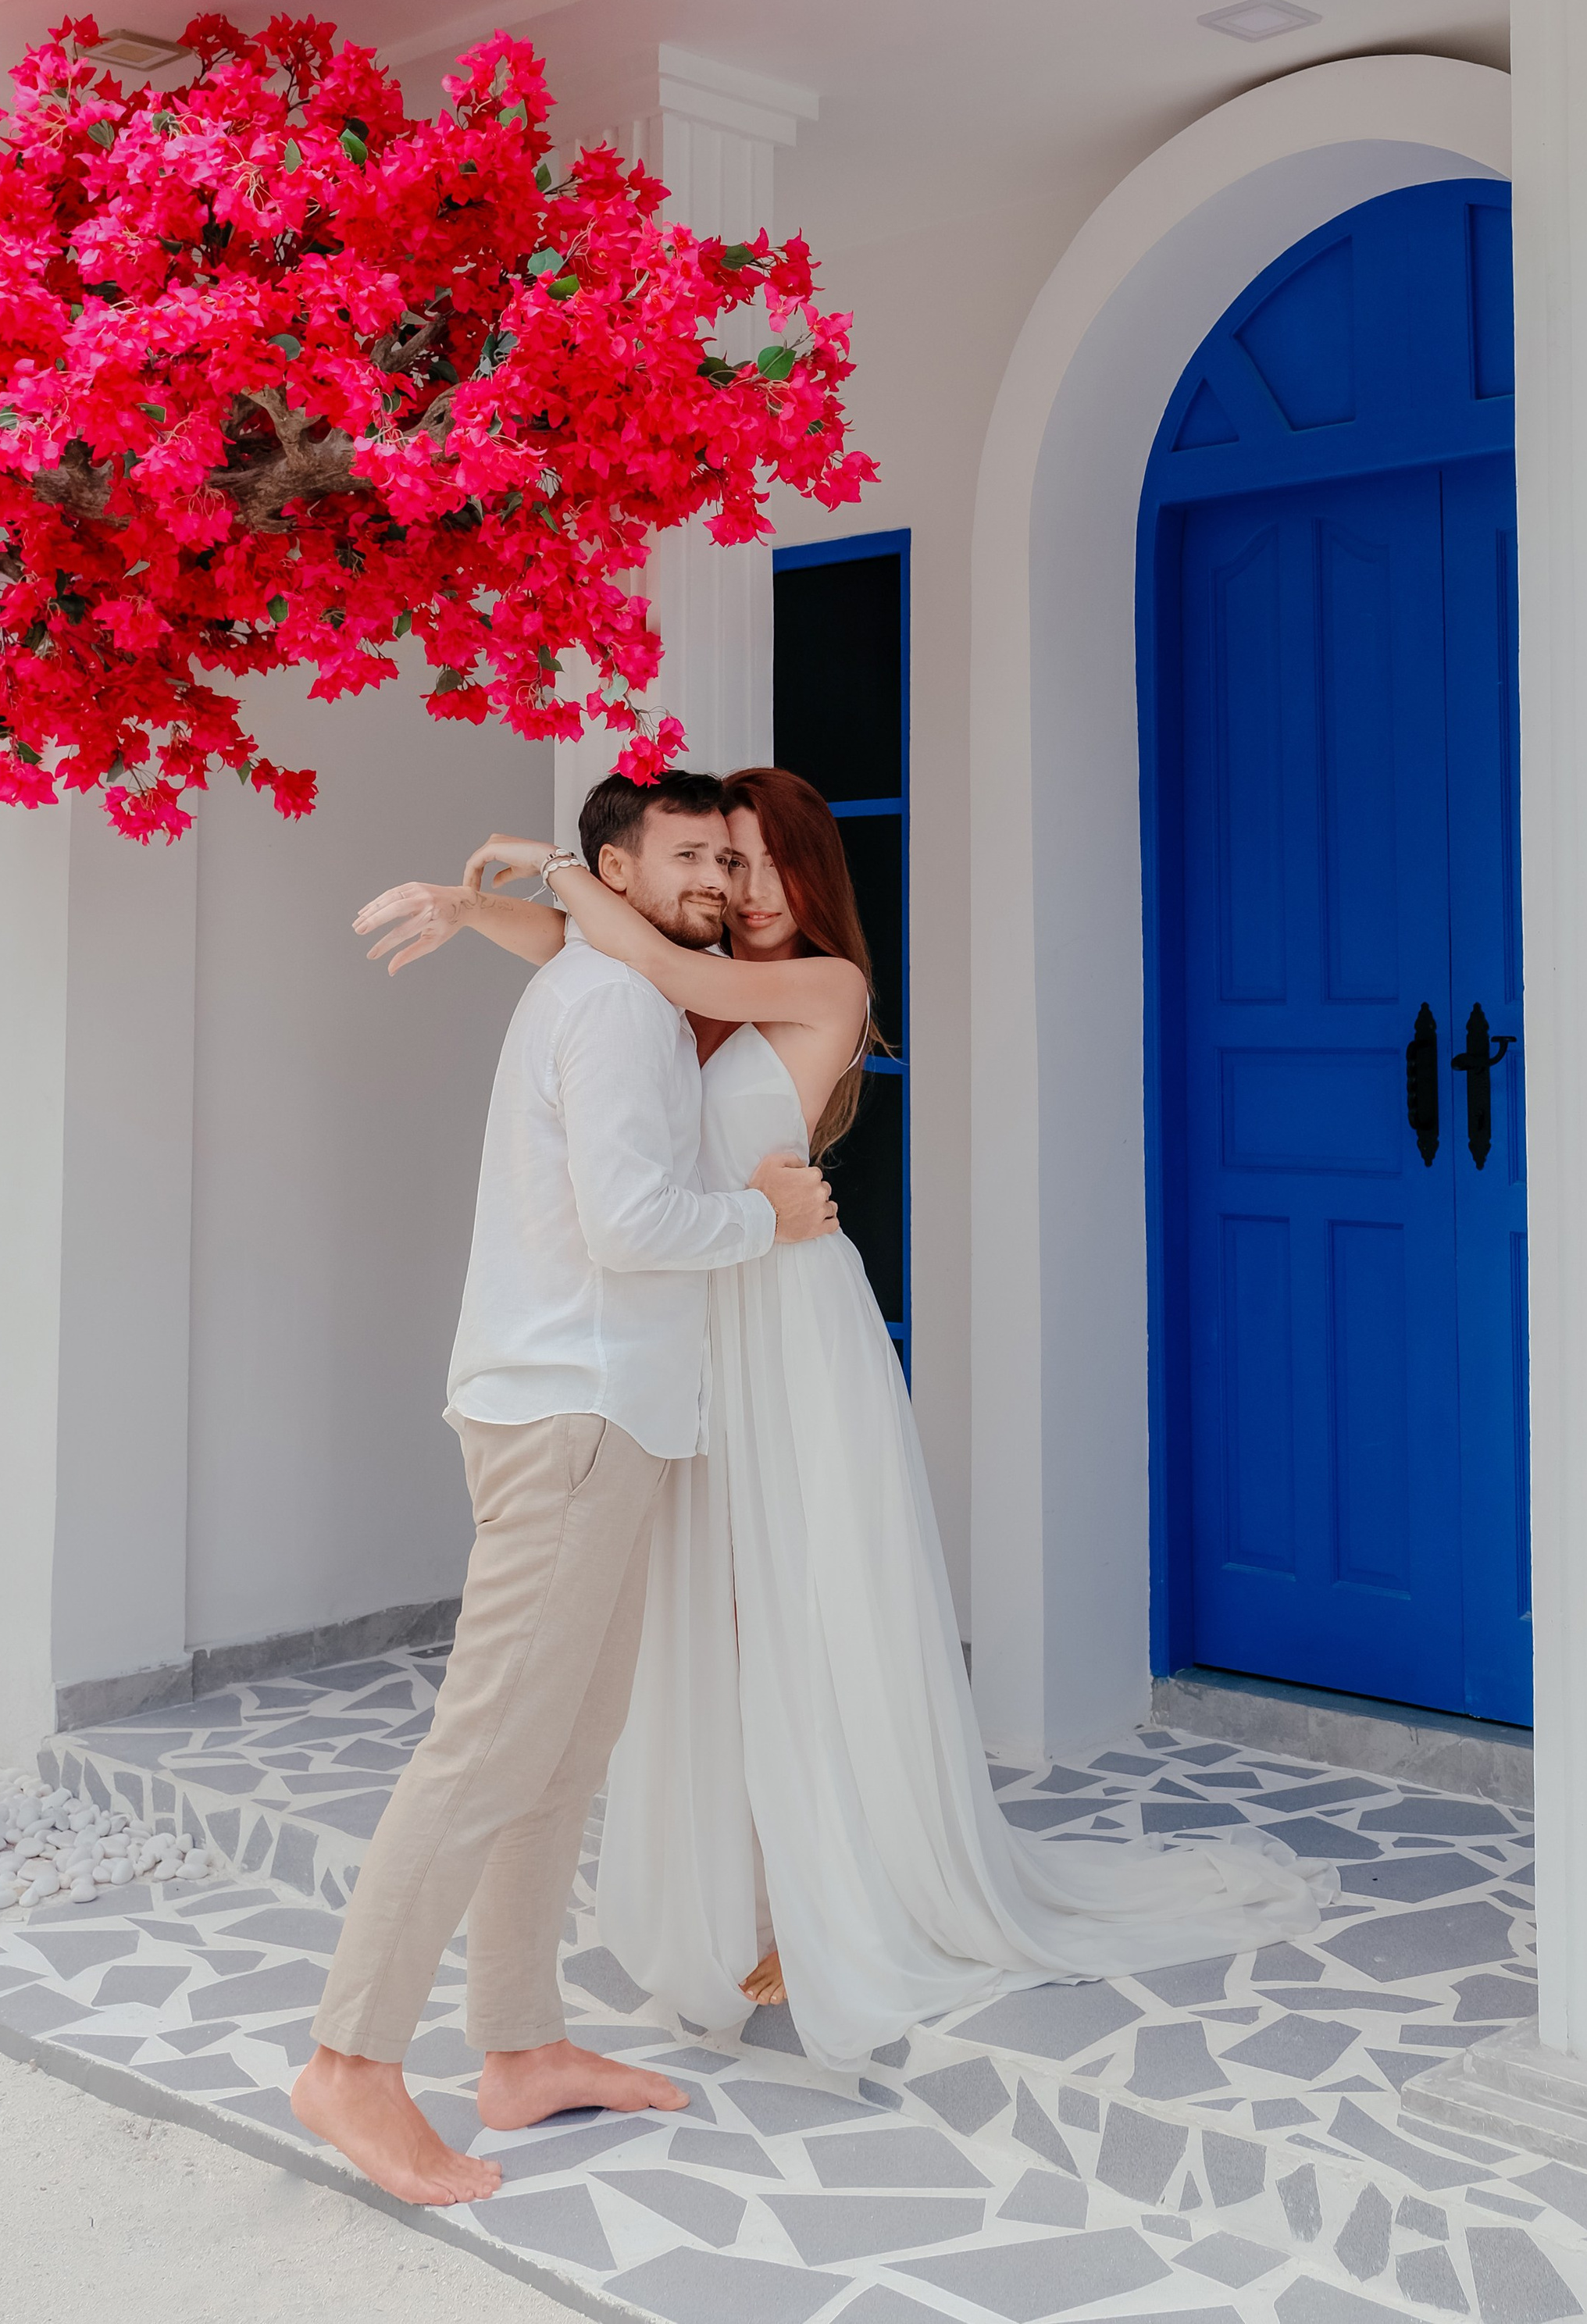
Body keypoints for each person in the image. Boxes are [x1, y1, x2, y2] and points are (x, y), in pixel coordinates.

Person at [356, 767, 1335, 2076]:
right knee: (711, 1618)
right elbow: (604, 960)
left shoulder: (822, 987)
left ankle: (825, 1892)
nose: (745, 887)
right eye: (725, 861)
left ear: (813, 874)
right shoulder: (674, 984)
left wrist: (565, 865)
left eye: (765, 863)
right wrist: (483, 905)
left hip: (786, 1315)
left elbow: (647, 955)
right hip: (697, 1316)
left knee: (800, 1604)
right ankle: (750, 1895)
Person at [291, 772, 838, 2205]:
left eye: (727, 857)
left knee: (559, 1749)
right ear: (618, 871)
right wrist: (767, 1215)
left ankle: (522, 2047)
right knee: (487, 1749)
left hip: (605, 1413)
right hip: (571, 1414)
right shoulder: (614, 1004)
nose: (715, 876)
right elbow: (633, 1223)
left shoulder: (621, 987)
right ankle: (351, 2065)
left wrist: (504, 896)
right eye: (687, 854)